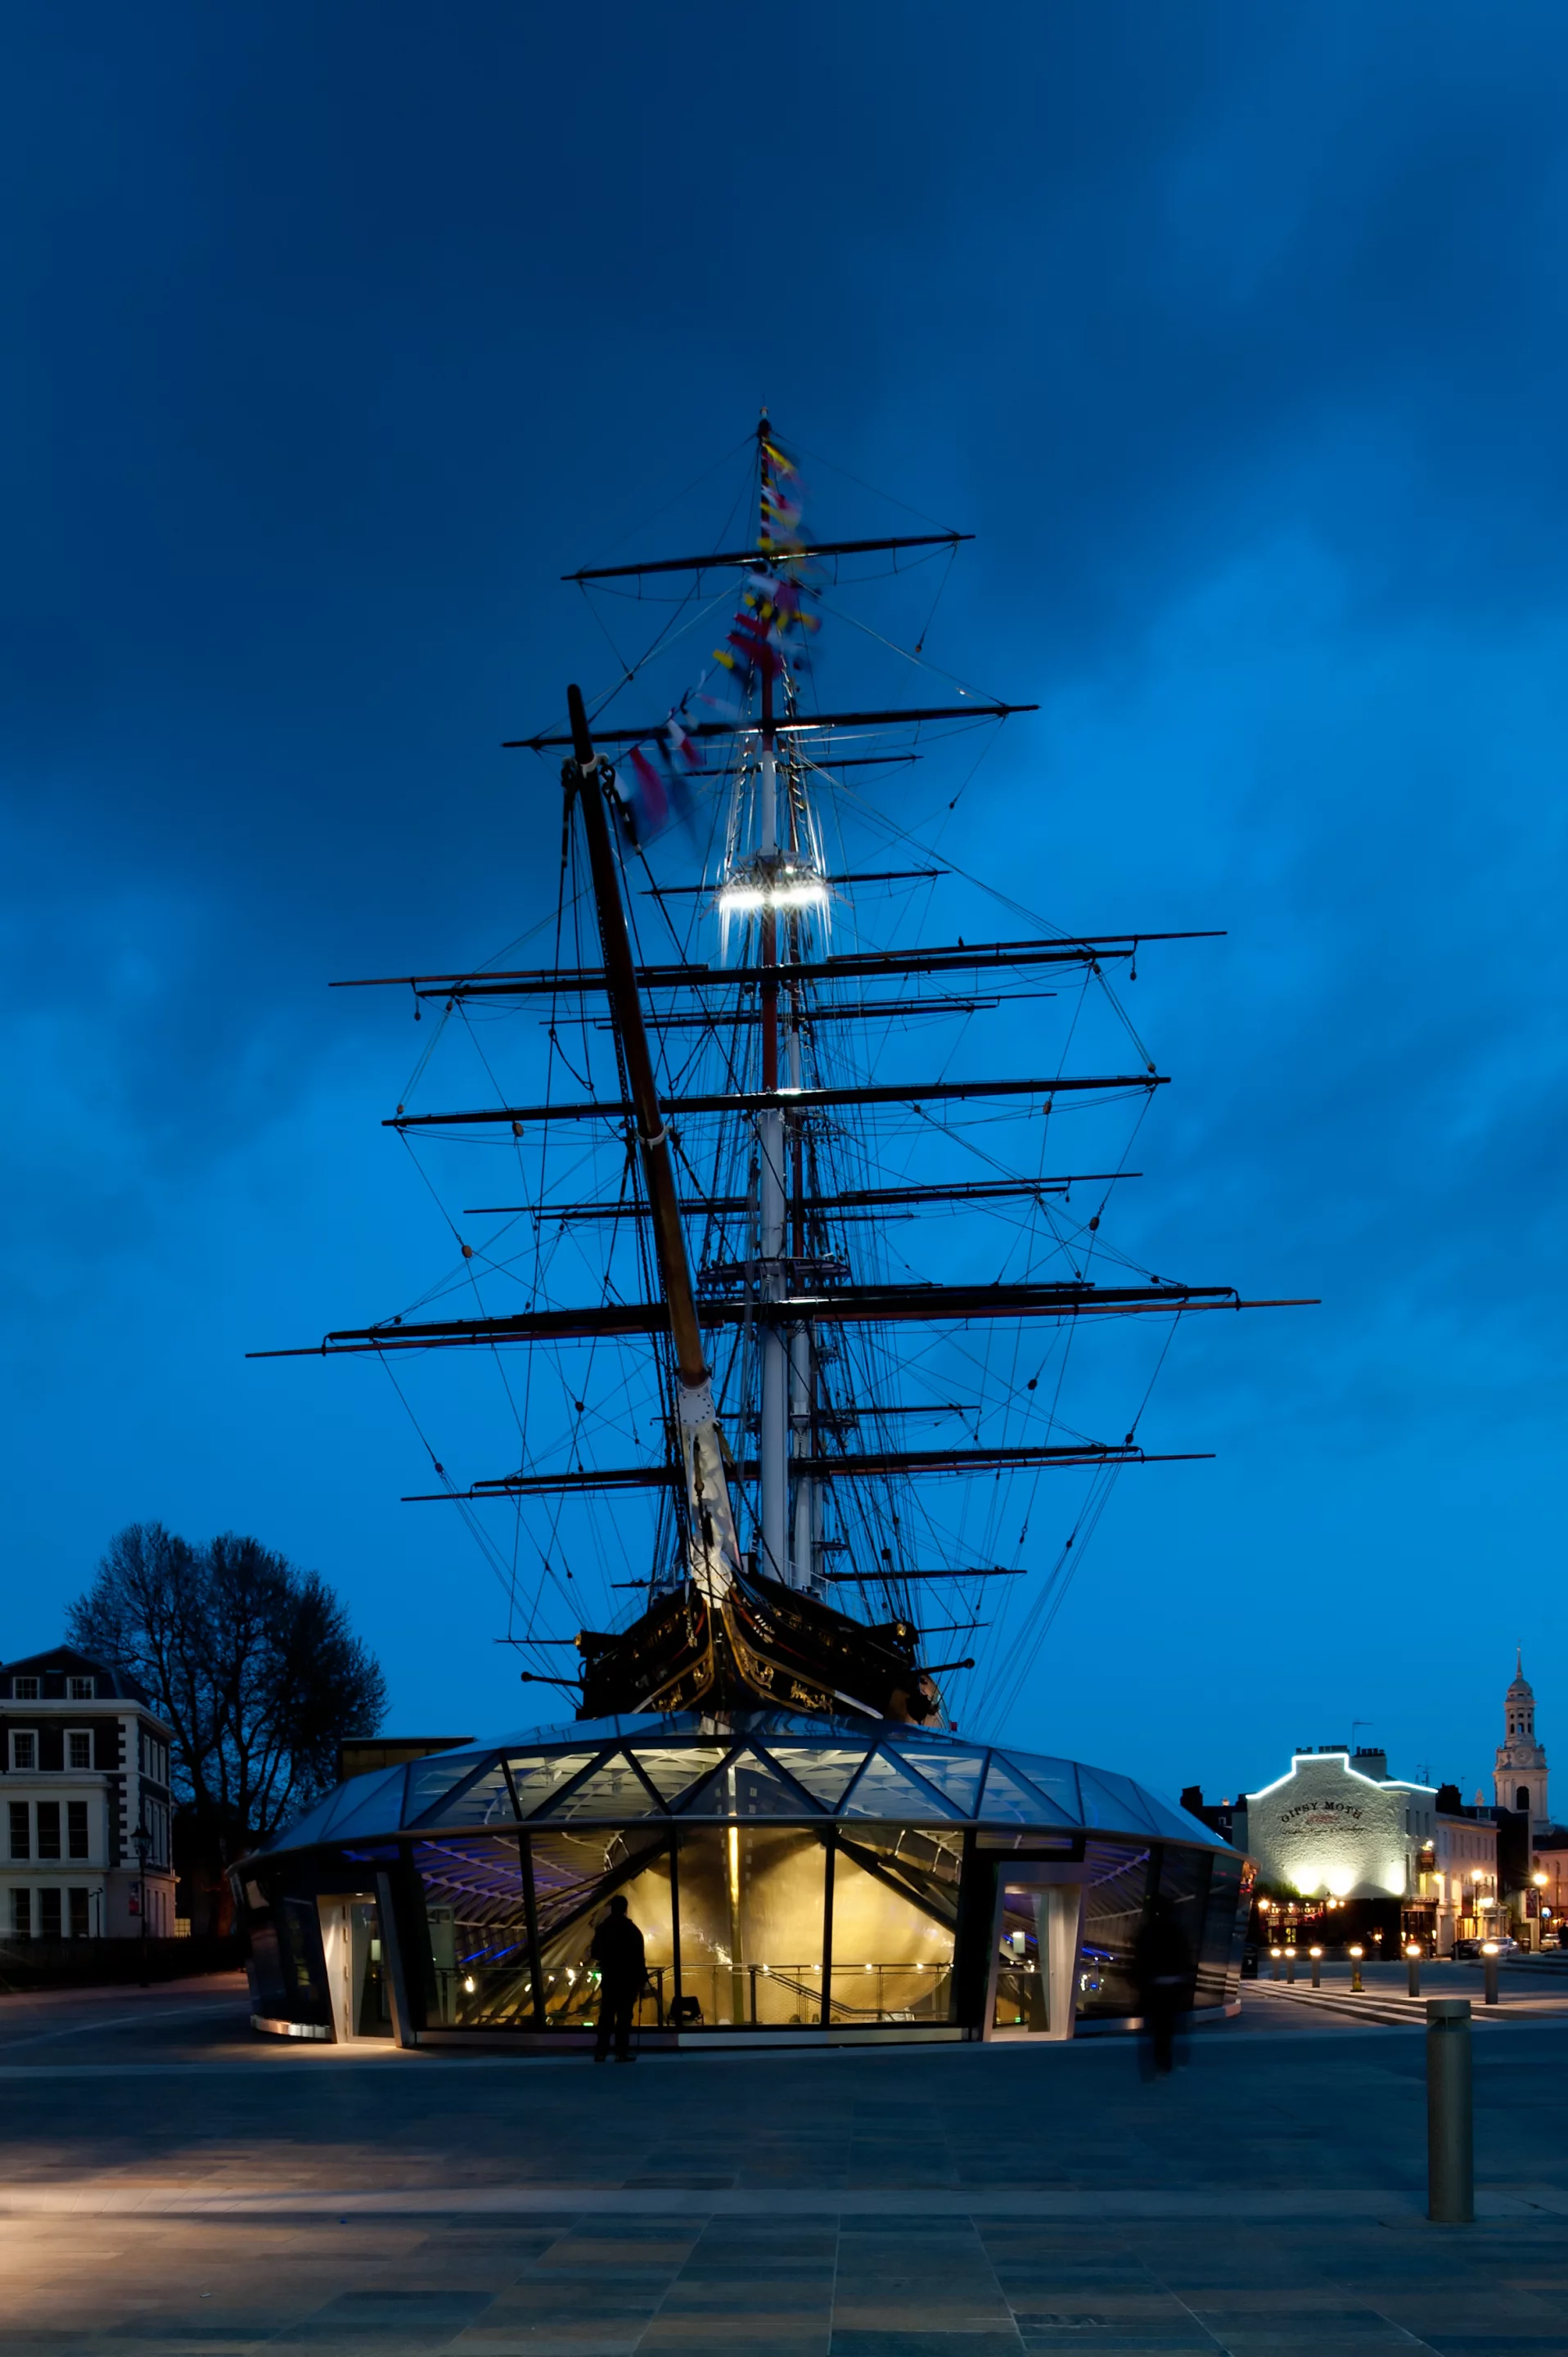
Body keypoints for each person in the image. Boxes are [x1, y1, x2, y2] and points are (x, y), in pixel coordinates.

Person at [1132, 1895, 1194, 2080]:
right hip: (1173, 1989)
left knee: (1156, 2030)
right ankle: (1168, 2064)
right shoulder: (1177, 1932)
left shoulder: (1147, 1932)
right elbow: (1185, 1958)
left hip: (1152, 1989)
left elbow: (1139, 1961)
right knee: (1169, 2029)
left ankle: (1156, 2066)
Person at [590, 1893, 647, 2064]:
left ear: (611, 1908)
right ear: (625, 1909)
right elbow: (639, 1958)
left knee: (606, 2016)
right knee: (624, 2018)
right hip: (627, 1980)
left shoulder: (603, 1928)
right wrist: (640, 1981)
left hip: (610, 1978)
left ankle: (601, 2052)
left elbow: (596, 1953)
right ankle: (621, 2052)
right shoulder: (633, 1930)